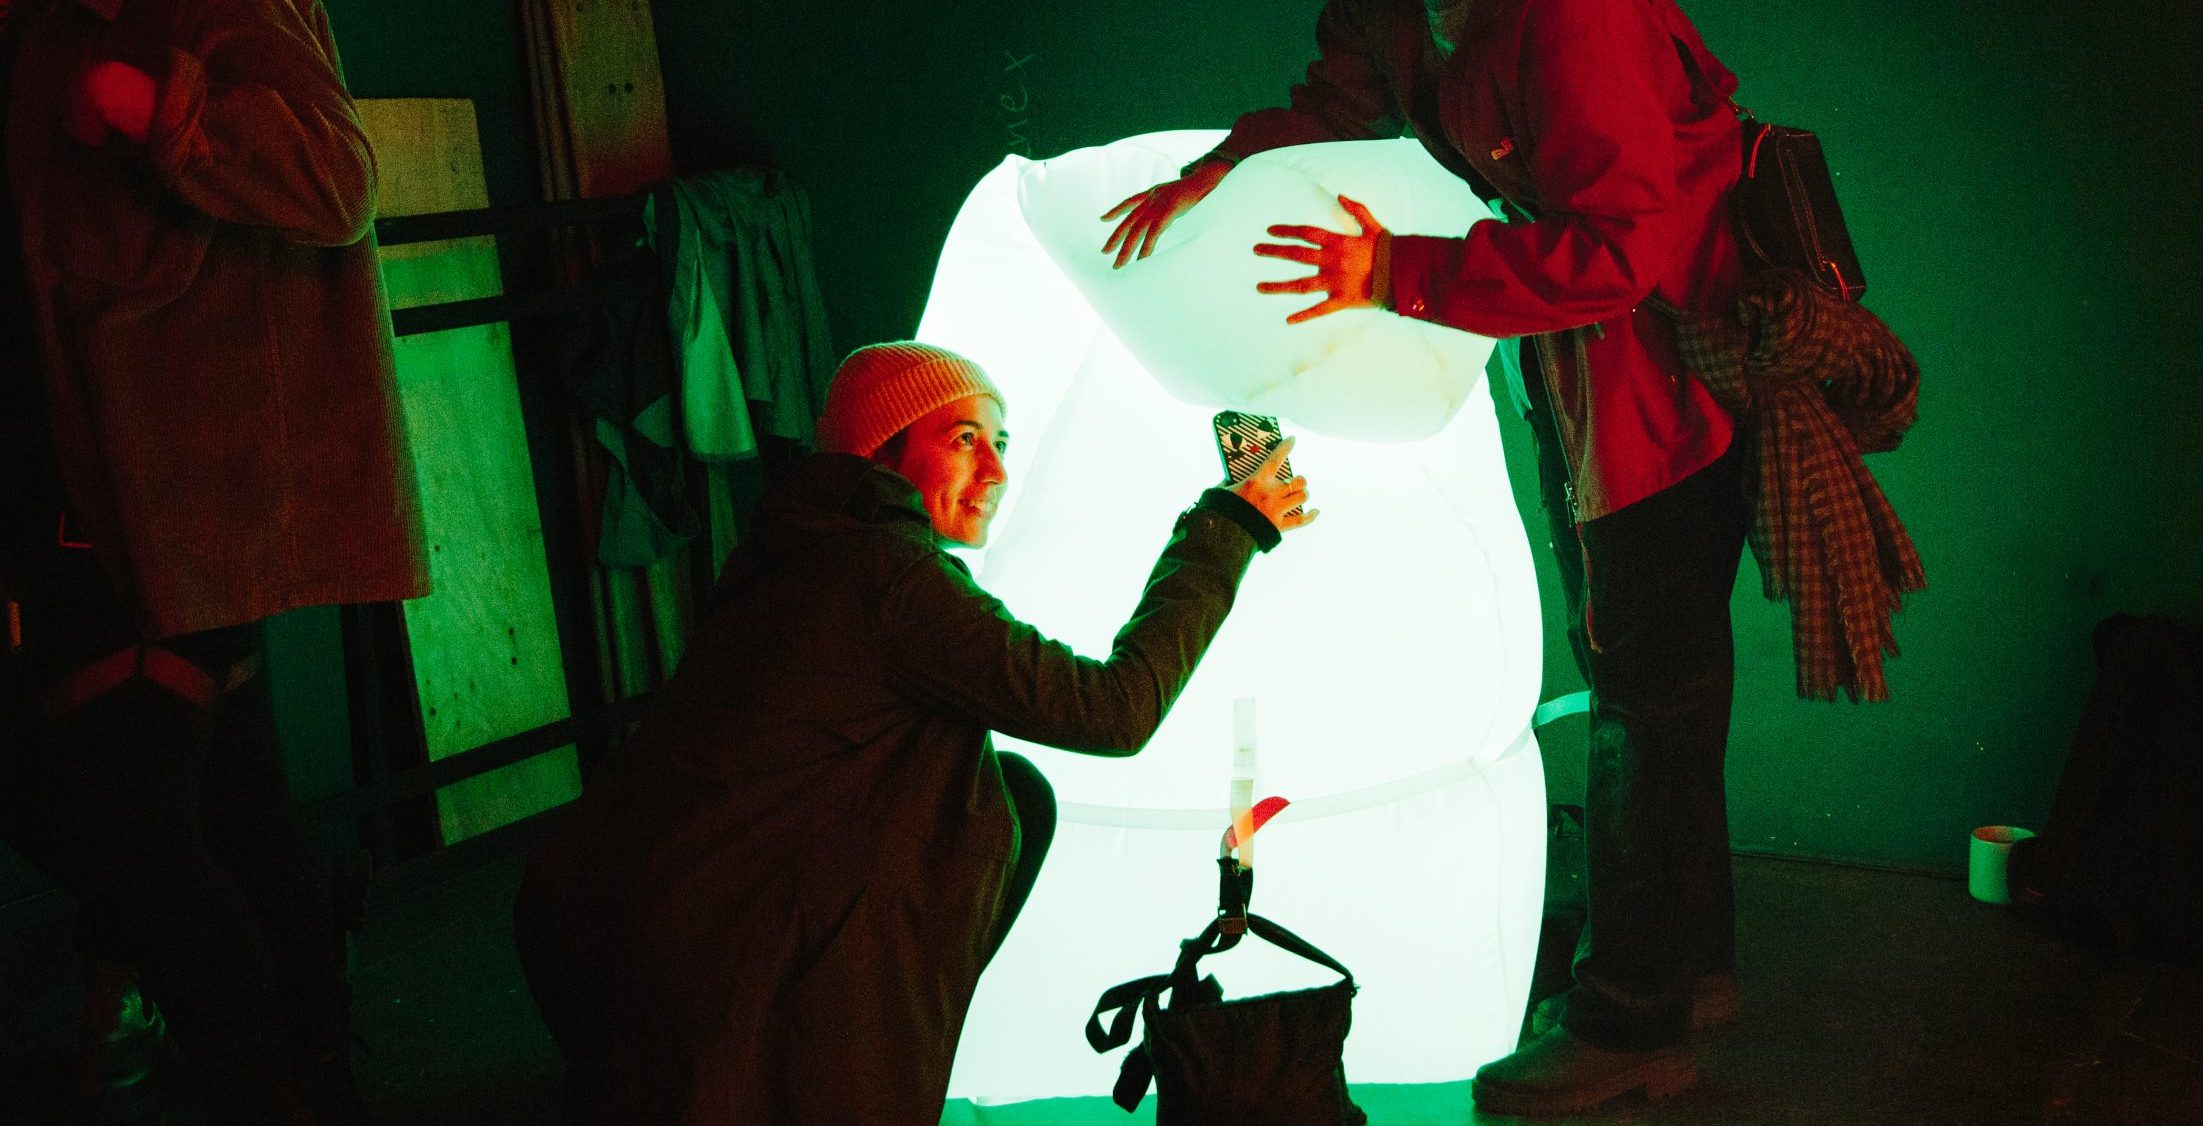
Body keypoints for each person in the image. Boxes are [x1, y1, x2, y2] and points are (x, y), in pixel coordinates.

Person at [1101, 0, 1753, 1113]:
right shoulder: (1397, 12)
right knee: (1644, 681)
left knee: (1650, 690)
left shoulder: (1578, 21)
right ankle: (1683, 967)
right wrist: (1221, 170)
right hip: (1582, 366)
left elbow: (1623, 248)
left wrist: (1393, 274)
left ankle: (1630, 1021)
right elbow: (1341, 106)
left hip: (1667, 380)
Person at [513, 341, 1316, 1125]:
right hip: (716, 947)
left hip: (637, 915)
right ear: (878, 450)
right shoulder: (885, 577)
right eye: (964, 440)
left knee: (1009, 794)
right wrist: (1229, 523)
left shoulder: (797, 549)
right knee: (1004, 799)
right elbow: (1112, 709)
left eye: (1001, 444)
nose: (997, 471)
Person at [0, 0, 421, 1122]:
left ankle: (264, 1086)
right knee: (230, 810)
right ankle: (307, 1067)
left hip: (163, 499)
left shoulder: (220, 5)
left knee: (144, 844)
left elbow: (338, 181)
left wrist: (157, 110)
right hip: (88, 486)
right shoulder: (44, 30)